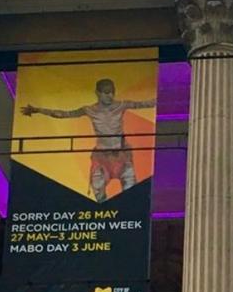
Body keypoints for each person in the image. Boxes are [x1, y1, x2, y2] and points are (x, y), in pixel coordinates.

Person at [21, 78, 156, 202]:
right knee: (98, 190)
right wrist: (38, 110)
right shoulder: (89, 109)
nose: (110, 96)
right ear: (98, 93)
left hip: (121, 155)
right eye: (106, 92)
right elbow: (63, 114)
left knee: (131, 190)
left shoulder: (122, 105)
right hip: (101, 157)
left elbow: (146, 103)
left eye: (112, 92)